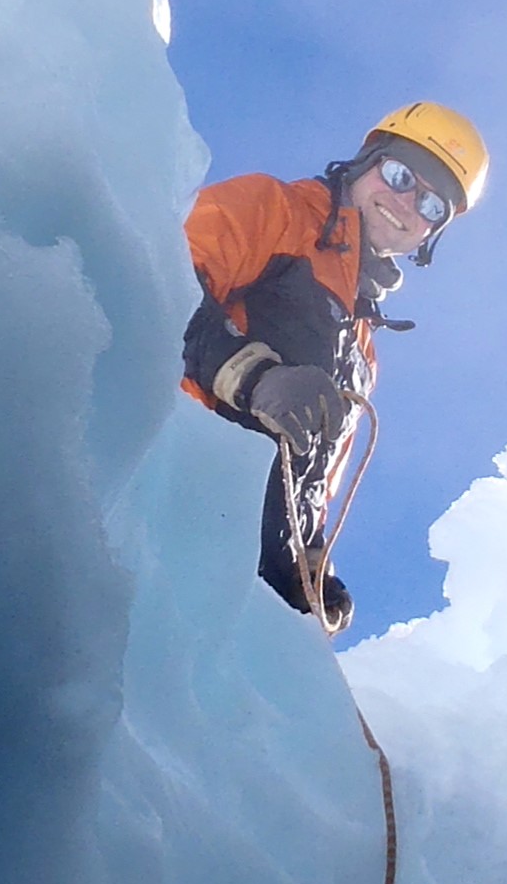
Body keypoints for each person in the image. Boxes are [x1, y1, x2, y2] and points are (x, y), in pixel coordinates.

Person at [181, 103, 487, 632]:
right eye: (399, 175)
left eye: (432, 205)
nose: (407, 203)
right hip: (173, 498)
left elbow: (308, 481)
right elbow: (160, 277)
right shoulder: (275, 211)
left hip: (238, 581)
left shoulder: (362, 355)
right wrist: (251, 376)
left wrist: (307, 565)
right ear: (367, 161)